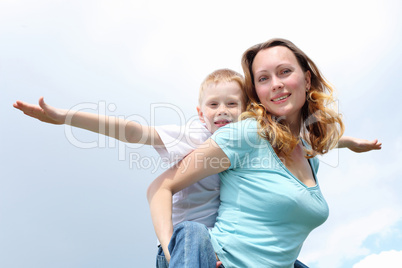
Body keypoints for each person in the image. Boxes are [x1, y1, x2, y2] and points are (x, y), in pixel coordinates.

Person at [14, 68, 380, 268]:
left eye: (232, 104)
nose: (222, 111)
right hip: (186, 247)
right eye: (214, 105)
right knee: (192, 231)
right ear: (200, 112)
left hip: (229, 248)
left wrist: (351, 144)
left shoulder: (248, 142)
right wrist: (66, 118)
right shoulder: (191, 137)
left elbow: (305, 146)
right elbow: (130, 130)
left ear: (248, 110)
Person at [147, 38, 381, 267]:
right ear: (257, 93)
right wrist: (174, 255)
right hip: (219, 261)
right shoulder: (245, 135)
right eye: (263, 78)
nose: (276, 83)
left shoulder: (309, 157)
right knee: (192, 232)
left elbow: (313, 142)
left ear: (307, 79)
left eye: (285, 71)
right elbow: (160, 188)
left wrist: (349, 143)